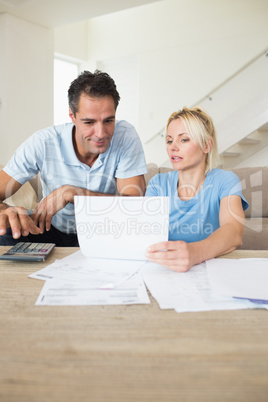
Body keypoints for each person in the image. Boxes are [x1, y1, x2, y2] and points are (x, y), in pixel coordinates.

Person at [0, 70, 147, 246]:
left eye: (109, 120)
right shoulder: (43, 142)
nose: (101, 133)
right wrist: (4, 211)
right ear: (72, 116)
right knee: (5, 227)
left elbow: (135, 206)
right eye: (89, 122)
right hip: (50, 230)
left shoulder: (125, 136)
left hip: (104, 232)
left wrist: (75, 193)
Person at [145, 106, 248, 272]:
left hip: (211, 270)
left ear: (207, 145)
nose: (173, 147)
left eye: (184, 139)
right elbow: (145, 234)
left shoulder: (225, 181)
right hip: (164, 269)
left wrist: (194, 253)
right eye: (169, 140)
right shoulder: (157, 184)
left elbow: (234, 231)